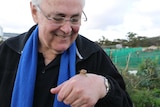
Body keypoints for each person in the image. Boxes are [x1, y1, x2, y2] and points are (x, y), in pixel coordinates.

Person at [0, 0, 133, 106]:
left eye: (75, 19)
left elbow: (125, 102)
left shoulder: (92, 55)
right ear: (35, 12)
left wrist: (104, 87)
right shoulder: (8, 51)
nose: (67, 29)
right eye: (58, 18)